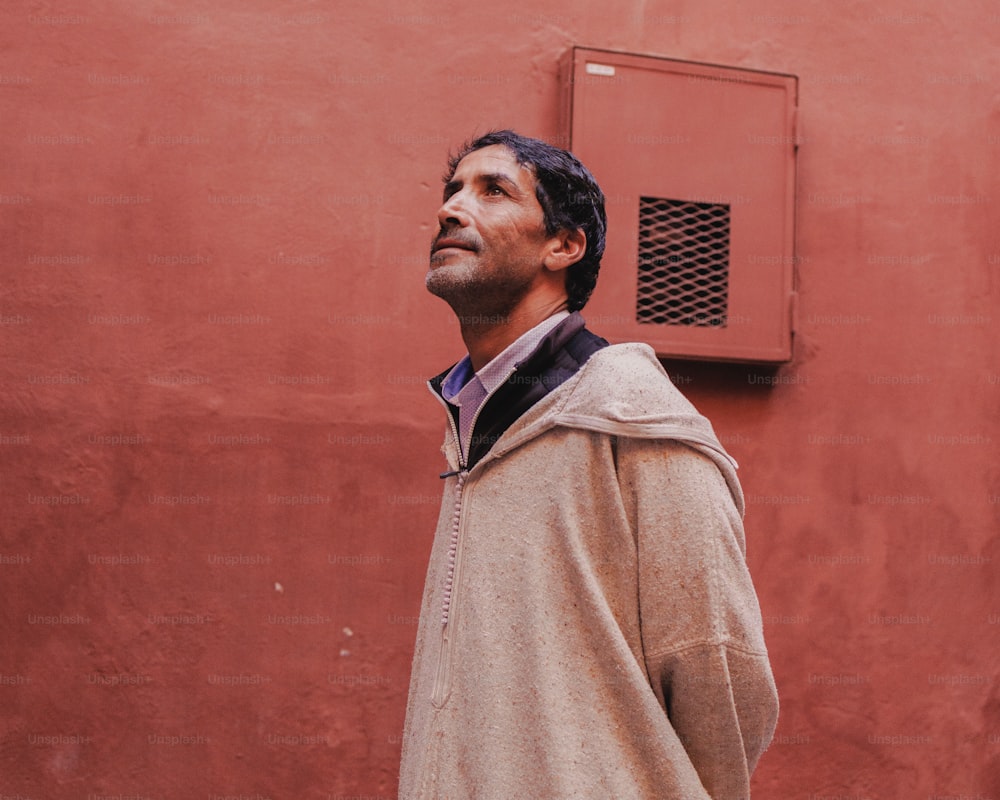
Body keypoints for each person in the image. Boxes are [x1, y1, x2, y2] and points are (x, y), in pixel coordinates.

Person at [399, 130, 779, 799]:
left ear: (563, 246)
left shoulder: (632, 418)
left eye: (493, 190)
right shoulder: (470, 424)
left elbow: (719, 670)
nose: (452, 210)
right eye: (452, 191)